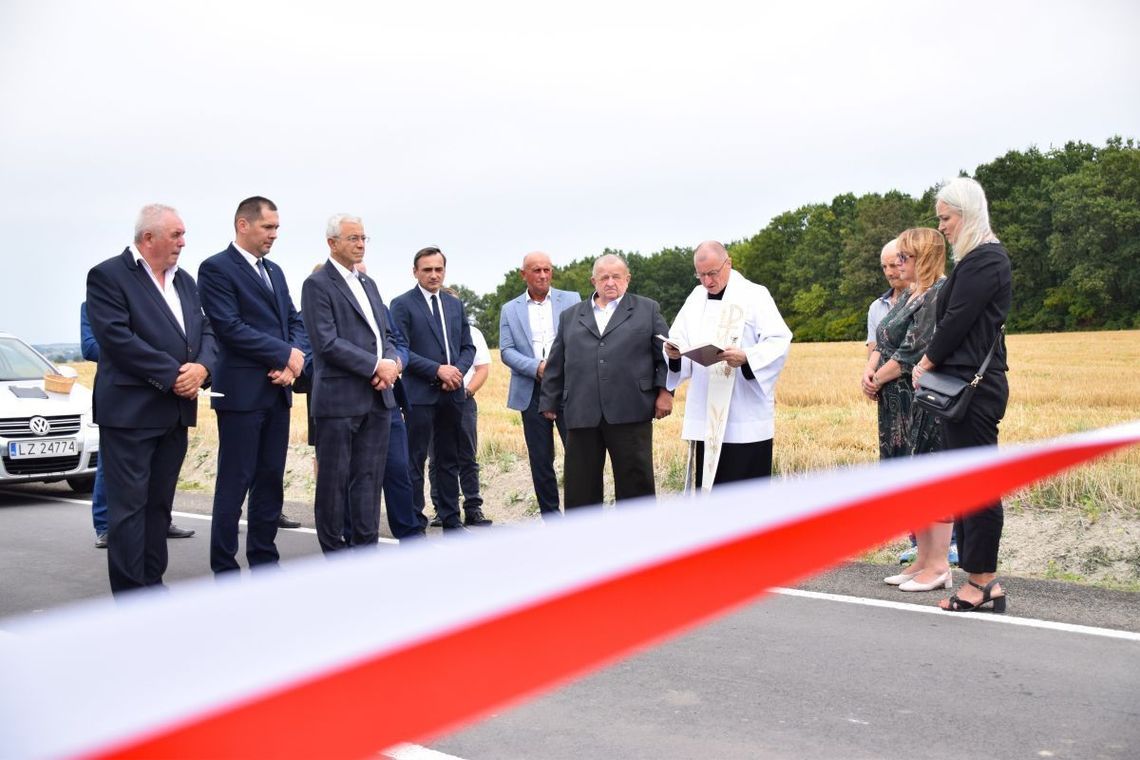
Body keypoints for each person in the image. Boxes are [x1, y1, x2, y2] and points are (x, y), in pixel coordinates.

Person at [85, 204, 217, 594]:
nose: (182, 242)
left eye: (183, 234)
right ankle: (130, 594)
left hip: (174, 412)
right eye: (176, 234)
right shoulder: (108, 276)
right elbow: (117, 339)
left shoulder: (185, 282)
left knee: (159, 506)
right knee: (129, 510)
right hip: (130, 413)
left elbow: (206, 331)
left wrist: (203, 370)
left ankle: (152, 585)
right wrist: (173, 375)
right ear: (148, 238)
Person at [914, 177, 1012, 613]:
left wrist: (926, 362)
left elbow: (956, 321)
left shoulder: (985, 261)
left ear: (967, 214)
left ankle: (982, 581)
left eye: (946, 218)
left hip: (971, 387)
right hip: (965, 387)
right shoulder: (976, 259)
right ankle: (980, 580)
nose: (943, 228)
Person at [197, 197, 308, 575]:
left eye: (276, 228)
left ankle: (264, 561)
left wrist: (294, 361)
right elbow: (229, 327)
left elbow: (294, 321)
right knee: (234, 483)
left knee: (270, 481)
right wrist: (283, 355)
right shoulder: (215, 269)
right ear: (243, 225)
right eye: (268, 227)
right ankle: (225, 568)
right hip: (241, 394)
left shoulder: (274, 271)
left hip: (278, 391)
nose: (274, 235)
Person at [539, 253, 671, 508]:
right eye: (604, 277)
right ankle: (586, 542)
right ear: (593, 281)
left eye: (616, 276)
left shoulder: (647, 309)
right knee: (581, 484)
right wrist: (549, 401)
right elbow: (557, 361)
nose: (610, 282)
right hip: (582, 411)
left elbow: (664, 355)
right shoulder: (570, 316)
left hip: (631, 408)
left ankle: (640, 540)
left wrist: (665, 392)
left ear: (627, 279)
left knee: (636, 481)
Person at [301, 214, 400, 552]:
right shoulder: (317, 285)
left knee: (369, 481)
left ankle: (365, 549)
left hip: (377, 398)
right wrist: (376, 365)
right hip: (340, 400)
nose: (360, 244)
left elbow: (384, 334)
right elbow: (326, 342)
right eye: (353, 238)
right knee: (333, 481)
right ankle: (334, 551)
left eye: (363, 238)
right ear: (333, 243)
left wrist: (392, 362)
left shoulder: (368, 284)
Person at [862, 228, 950, 592]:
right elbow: (883, 338)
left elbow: (913, 349)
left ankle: (939, 564)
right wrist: (871, 371)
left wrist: (877, 377)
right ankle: (922, 559)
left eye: (904, 257)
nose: (897, 265)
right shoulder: (912, 294)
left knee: (930, 477)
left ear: (922, 258)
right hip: (895, 400)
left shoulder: (935, 292)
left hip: (919, 398)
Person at [664, 241, 791, 490]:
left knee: (746, 493)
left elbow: (779, 340)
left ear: (728, 263)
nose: (707, 282)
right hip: (706, 413)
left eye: (713, 273)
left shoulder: (755, 295)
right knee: (713, 493)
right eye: (701, 275)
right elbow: (678, 337)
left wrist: (747, 358)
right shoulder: (695, 298)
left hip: (744, 415)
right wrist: (674, 352)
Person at [80, 303, 195, 549]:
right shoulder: (92, 306)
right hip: (122, 397)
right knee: (109, 467)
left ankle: (160, 522)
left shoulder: (153, 307)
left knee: (161, 470)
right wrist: (133, 356)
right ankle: (105, 527)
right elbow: (89, 347)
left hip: (160, 390)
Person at [390, 247, 478, 532]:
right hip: (419, 395)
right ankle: (415, 521)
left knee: (448, 459)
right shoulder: (402, 304)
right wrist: (437, 369)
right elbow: (402, 349)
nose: (434, 274)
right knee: (414, 460)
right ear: (415, 272)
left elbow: (468, 346)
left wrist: (457, 372)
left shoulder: (455, 305)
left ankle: (451, 518)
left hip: (452, 394)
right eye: (427, 269)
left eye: (438, 269)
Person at [498, 251, 581, 519]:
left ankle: (581, 515)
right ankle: (551, 518)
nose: (543, 275)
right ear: (524, 274)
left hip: (568, 388)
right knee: (541, 459)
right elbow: (507, 351)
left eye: (547, 269)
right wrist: (537, 367)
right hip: (531, 390)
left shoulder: (572, 300)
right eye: (536, 270)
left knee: (578, 455)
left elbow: (582, 340)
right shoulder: (510, 309)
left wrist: (557, 368)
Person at [429, 311, 492, 527]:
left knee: (467, 455)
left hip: (463, 399)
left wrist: (467, 392)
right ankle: (442, 508)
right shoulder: (429, 333)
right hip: (433, 400)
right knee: (437, 457)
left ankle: (473, 507)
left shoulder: (472, 333)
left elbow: (482, 368)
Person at [866, 239, 908, 357]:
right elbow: (873, 352)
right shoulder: (876, 307)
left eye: (893, 265)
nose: (888, 273)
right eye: (884, 267)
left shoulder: (925, 300)